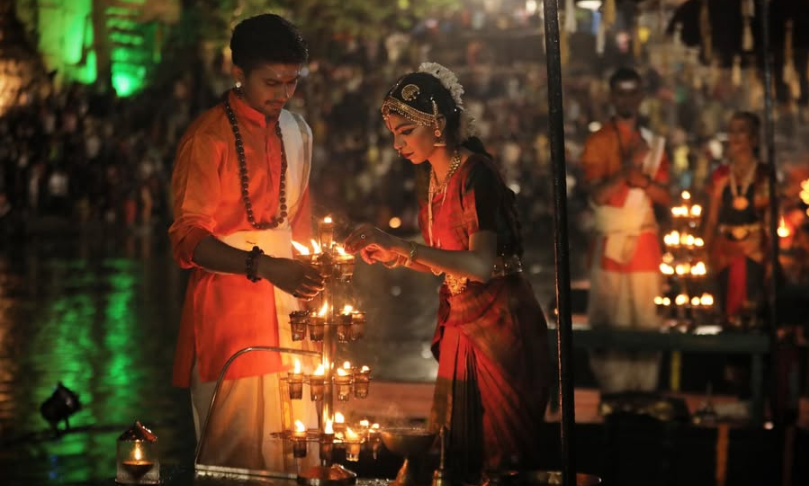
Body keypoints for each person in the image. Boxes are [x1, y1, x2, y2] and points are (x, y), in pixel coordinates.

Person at [343, 62, 550, 483]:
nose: (398, 145)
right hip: (461, 320)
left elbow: (478, 266)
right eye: (393, 135)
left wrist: (404, 246)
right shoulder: (433, 180)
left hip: (500, 324)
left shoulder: (476, 174)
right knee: (457, 451)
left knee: (501, 459)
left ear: (437, 124)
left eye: (406, 132)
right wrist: (395, 255)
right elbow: (446, 262)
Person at [168, 14, 324, 471]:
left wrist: (315, 284)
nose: (281, 94)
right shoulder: (207, 137)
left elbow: (301, 230)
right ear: (238, 73)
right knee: (235, 461)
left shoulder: (298, 134)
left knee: (299, 453)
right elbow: (189, 240)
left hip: (293, 316)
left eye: (291, 83)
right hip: (229, 324)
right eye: (270, 82)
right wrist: (269, 268)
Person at [579, 66, 671, 394]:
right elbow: (596, 195)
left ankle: (644, 395)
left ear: (642, 97)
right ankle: (613, 394)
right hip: (609, 246)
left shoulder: (653, 144)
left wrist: (642, 179)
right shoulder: (599, 141)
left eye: (634, 92)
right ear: (612, 96)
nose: (627, 98)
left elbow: (666, 196)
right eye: (621, 92)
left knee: (646, 322)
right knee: (608, 323)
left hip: (644, 243)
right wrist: (629, 169)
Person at [703, 111, 771, 322]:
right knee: (725, 309)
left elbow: (770, 220)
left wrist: (771, 258)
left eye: (741, 131)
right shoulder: (721, 174)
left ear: (753, 137)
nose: (735, 137)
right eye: (731, 131)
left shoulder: (763, 174)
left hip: (754, 252)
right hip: (724, 251)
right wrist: (704, 250)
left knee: (750, 309)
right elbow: (712, 218)